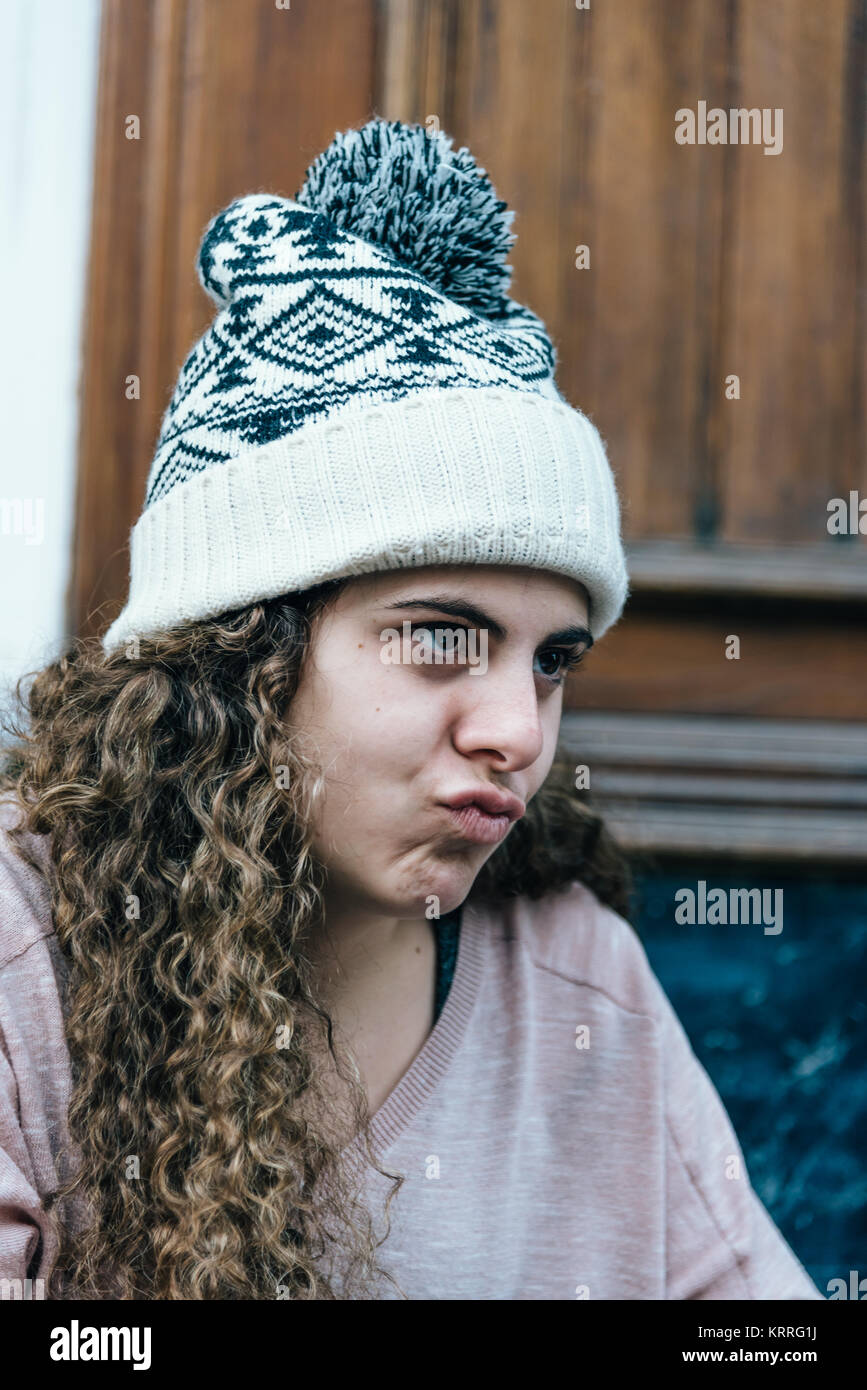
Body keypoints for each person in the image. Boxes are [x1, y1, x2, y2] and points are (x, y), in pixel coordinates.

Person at [0, 118, 821, 1301]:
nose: (520, 732)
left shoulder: (578, 979)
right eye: (446, 638)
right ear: (242, 652)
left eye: (552, 661)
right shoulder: (28, 957)